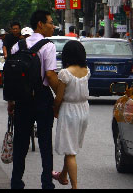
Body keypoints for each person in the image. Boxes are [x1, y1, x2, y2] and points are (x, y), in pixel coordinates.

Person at [9, 10, 60, 189]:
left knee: (20, 142)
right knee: (45, 142)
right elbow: (50, 75)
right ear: (40, 24)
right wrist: (60, 96)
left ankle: (16, 181)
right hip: (42, 97)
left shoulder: (17, 46)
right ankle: (46, 183)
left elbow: (12, 78)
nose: (53, 26)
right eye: (50, 22)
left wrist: (11, 102)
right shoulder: (48, 46)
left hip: (21, 99)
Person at [52, 40, 90, 188]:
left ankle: (75, 186)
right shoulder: (86, 71)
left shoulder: (64, 73)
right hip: (84, 110)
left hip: (69, 110)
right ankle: (63, 175)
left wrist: (55, 110)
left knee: (70, 151)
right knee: (72, 146)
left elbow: (59, 97)